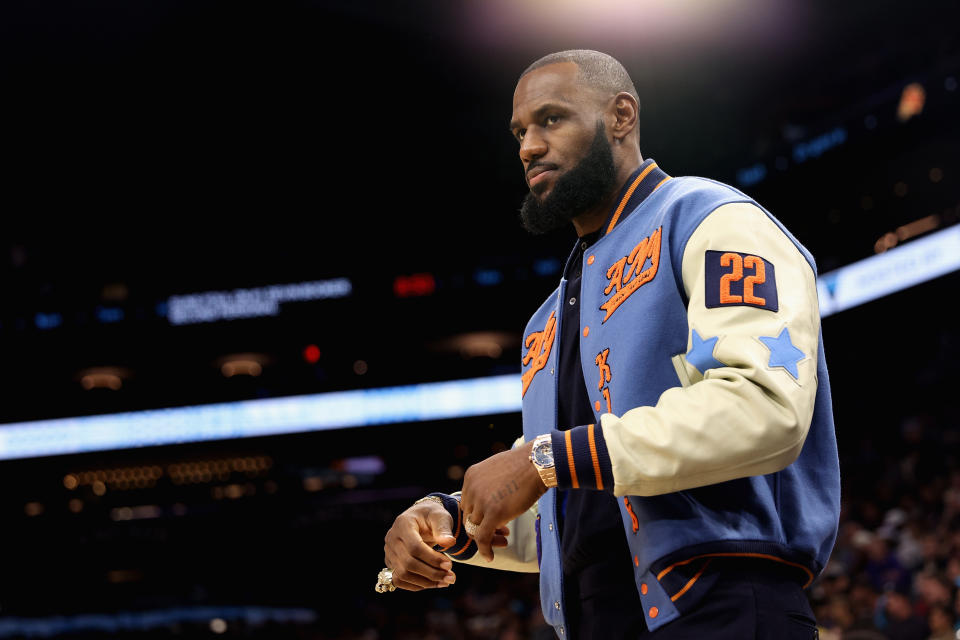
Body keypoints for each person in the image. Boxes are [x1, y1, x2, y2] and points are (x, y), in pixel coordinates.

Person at [381, 49, 841, 639]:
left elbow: (763, 406)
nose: (527, 147)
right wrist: (448, 519)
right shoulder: (545, 320)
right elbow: (571, 507)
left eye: (551, 119)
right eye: (520, 131)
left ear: (621, 116)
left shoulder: (710, 217)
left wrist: (544, 459)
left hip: (722, 604)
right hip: (595, 617)